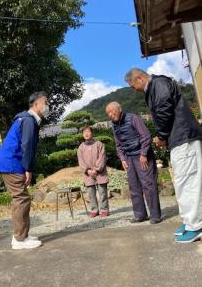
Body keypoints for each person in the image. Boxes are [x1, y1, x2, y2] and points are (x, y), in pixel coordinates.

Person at [125, 68, 202, 243]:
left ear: (139, 78)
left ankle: (196, 225)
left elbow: (163, 110)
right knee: (183, 182)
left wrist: (161, 136)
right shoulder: (157, 86)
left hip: (183, 138)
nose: (132, 89)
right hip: (179, 139)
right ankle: (189, 221)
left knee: (188, 183)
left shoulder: (158, 84)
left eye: (132, 85)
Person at [0, 91, 49, 250]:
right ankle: (19, 239)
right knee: (21, 199)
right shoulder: (29, 120)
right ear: (36, 104)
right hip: (12, 164)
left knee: (23, 198)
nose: (47, 106)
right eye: (45, 102)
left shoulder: (26, 119)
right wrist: (28, 169)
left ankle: (22, 235)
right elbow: (27, 147)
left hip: (11, 163)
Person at [105, 101, 162, 224]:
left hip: (142, 156)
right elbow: (118, 145)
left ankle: (155, 215)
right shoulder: (114, 125)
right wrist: (123, 159)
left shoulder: (133, 118)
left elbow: (146, 136)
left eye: (111, 111)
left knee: (148, 185)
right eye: (108, 113)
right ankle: (140, 215)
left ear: (119, 109)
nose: (110, 114)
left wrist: (143, 154)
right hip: (129, 158)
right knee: (134, 187)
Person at [77, 126, 109, 218]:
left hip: (100, 172)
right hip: (88, 174)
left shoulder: (99, 144)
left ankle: (104, 209)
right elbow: (81, 161)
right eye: (84, 132)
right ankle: (94, 210)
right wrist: (88, 170)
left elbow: (102, 157)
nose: (86, 134)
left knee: (102, 192)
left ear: (92, 133)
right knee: (91, 193)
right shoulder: (81, 147)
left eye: (88, 132)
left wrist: (96, 169)